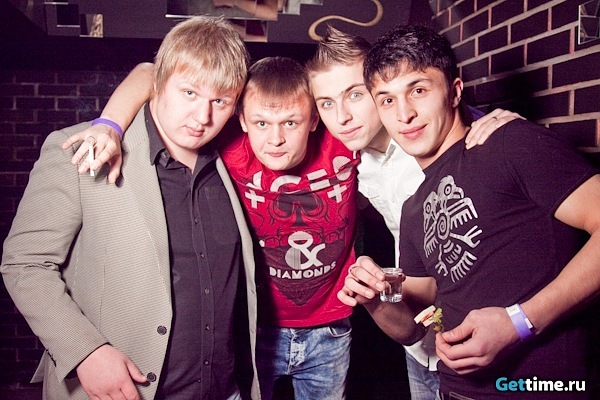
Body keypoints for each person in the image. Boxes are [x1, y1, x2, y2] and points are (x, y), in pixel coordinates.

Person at [62, 56, 360, 400]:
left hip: (330, 327)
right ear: (242, 120)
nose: (275, 139)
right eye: (262, 123)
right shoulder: (230, 145)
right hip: (255, 328)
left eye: (290, 123)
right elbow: (149, 72)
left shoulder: (344, 141)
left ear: (313, 120)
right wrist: (109, 125)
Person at [1, 16, 261, 400]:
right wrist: (85, 351)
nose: (203, 117)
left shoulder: (237, 160)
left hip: (224, 391)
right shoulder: (81, 149)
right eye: (189, 93)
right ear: (160, 83)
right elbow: (25, 264)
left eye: (219, 101)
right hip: (119, 392)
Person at [339, 24, 600, 399]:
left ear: (455, 91)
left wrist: (520, 322)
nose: (404, 114)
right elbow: (412, 326)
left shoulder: (508, 142)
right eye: (387, 100)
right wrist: (375, 298)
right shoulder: (414, 207)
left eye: (418, 90)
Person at [304, 26, 520, 400]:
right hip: (420, 340)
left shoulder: (443, 142)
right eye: (326, 103)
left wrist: (496, 120)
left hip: (485, 341)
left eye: (355, 95)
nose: (341, 117)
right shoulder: (351, 155)